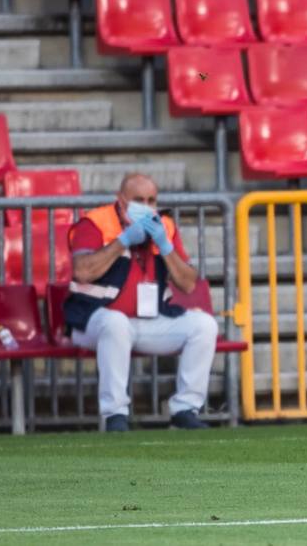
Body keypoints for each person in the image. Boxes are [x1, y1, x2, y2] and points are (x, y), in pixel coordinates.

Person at [63, 173, 219, 431]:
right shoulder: (95, 223)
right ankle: (115, 415)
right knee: (115, 323)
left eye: (151, 201)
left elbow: (188, 283)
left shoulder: (164, 226)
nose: (146, 207)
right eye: (138, 200)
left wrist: (164, 246)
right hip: (92, 321)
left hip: (145, 321)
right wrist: (122, 241)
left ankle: (185, 409)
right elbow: (82, 272)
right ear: (121, 201)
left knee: (204, 325)